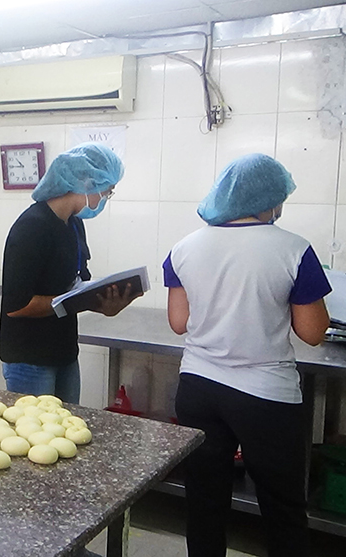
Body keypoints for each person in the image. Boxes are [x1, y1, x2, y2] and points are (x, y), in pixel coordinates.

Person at [163, 154, 331, 557]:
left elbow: (178, 322)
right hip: (265, 395)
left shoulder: (184, 247)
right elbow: (312, 333)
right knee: (283, 506)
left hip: (199, 389)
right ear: (269, 198)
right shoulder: (294, 249)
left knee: (204, 500)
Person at [0, 143, 139, 403]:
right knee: (36, 428)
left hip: (64, 353)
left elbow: (77, 282)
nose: (104, 199)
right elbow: (17, 306)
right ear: (86, 183)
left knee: (68, 423)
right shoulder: (32, 227)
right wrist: (71, 302)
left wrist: (103, 303)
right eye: (106, 192)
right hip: (30, 359)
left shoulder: (74, 224)